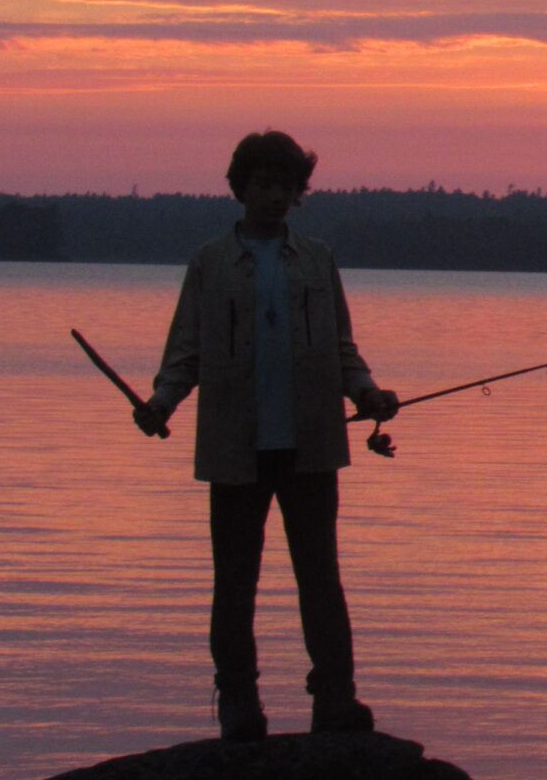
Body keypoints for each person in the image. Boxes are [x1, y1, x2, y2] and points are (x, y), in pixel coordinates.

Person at [133, 130, 399, 741]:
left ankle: (335, 701)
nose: (276, 196)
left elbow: (341, 350)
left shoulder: (317, 259)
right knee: (234, 582)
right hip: (234, 448)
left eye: (287, 186)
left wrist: (367, 395)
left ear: (298, 193)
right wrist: (161, 403)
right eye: (264, 184)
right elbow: (186, 353)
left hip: (311, 447)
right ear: (241, 187)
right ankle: (238, 705)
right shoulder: (209, 262)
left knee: (321, 579)